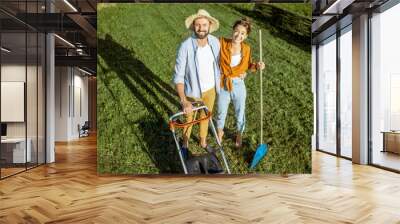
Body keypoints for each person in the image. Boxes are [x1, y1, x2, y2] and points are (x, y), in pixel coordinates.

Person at [172, 9, 221, 156]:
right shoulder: (185, 46)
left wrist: (248, 68)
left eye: (204, 24)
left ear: (209, 25)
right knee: (189, 117)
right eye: (198, 25)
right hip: (193, 92)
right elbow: (179, 76)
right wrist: (184, 100)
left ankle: (203, 141)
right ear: (193, 26)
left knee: (206, 115)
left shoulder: (215, 42)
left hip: (211, 90)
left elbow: (225, 60)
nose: (201, 28)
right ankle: (185, 142)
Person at [216, 17, 265, 148]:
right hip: (223, 83)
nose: (239, 35)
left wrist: (257, 66)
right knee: (221, 111)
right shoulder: (221, 42)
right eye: (237, 31)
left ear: (246, 36)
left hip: (238, 84)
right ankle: (220, 131)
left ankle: (239, 133)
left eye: (243, 33)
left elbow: (248, 65)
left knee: (240, 111)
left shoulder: (246, 49)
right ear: (233, 30)